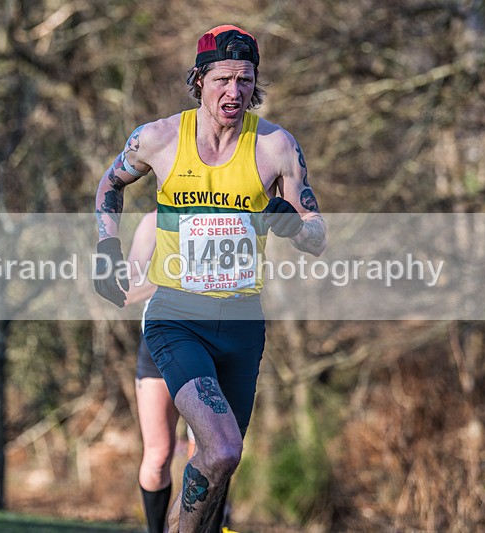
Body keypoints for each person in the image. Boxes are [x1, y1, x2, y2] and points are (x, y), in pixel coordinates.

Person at [94, 24, 327, 532]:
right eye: (223, 79)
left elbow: (317, 234)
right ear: (199, 80)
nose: (235, 92)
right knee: (216, 446)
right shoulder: (156, 139)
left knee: (222, 465)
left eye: (246, 80)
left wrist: (292, 224)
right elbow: (109, 185)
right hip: (177, 316)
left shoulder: (276, 146)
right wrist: (106, 247)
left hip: (244, 323)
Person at [127, 211, 234, 533]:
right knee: (158, 454)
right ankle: (154, 528)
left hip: (214, 342)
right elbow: (127, 291)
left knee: (211, 450)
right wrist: (174, 277)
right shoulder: (153, 222)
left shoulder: (225, 219)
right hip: (161, 341)